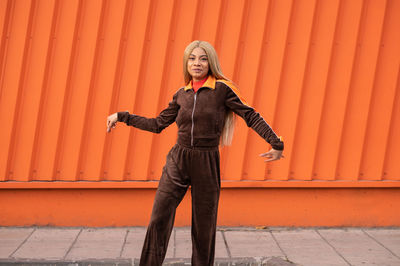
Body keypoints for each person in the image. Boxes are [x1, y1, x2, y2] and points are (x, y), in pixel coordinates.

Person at [106, 40, 284, 266]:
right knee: (159, 218)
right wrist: (123, 116)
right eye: (192, 58)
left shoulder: (222, 90)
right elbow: (157, 124)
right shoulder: (181, 94)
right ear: (186, 63)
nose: (197, 63)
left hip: (206, 162)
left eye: (202, 58)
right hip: (178, 160)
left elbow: (251, 116)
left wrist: (276, 143)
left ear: (211, 62)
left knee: (204, 227)